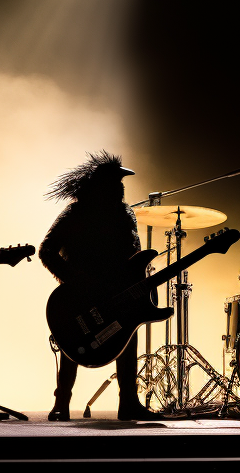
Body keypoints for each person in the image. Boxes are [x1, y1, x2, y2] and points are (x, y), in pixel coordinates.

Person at [40, 151, 160, 421]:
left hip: (117, 289)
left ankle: (128, 400)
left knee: (128, 336)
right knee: (71, 341)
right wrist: (73, 281)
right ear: (100, 187)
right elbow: (46, 250)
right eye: (115, 184)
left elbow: (135, 251)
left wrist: (135, 285)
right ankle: (62, 403)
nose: (120, 189)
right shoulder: (75, 213)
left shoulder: (124, 213)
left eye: (121, 184)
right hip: (81, 293)